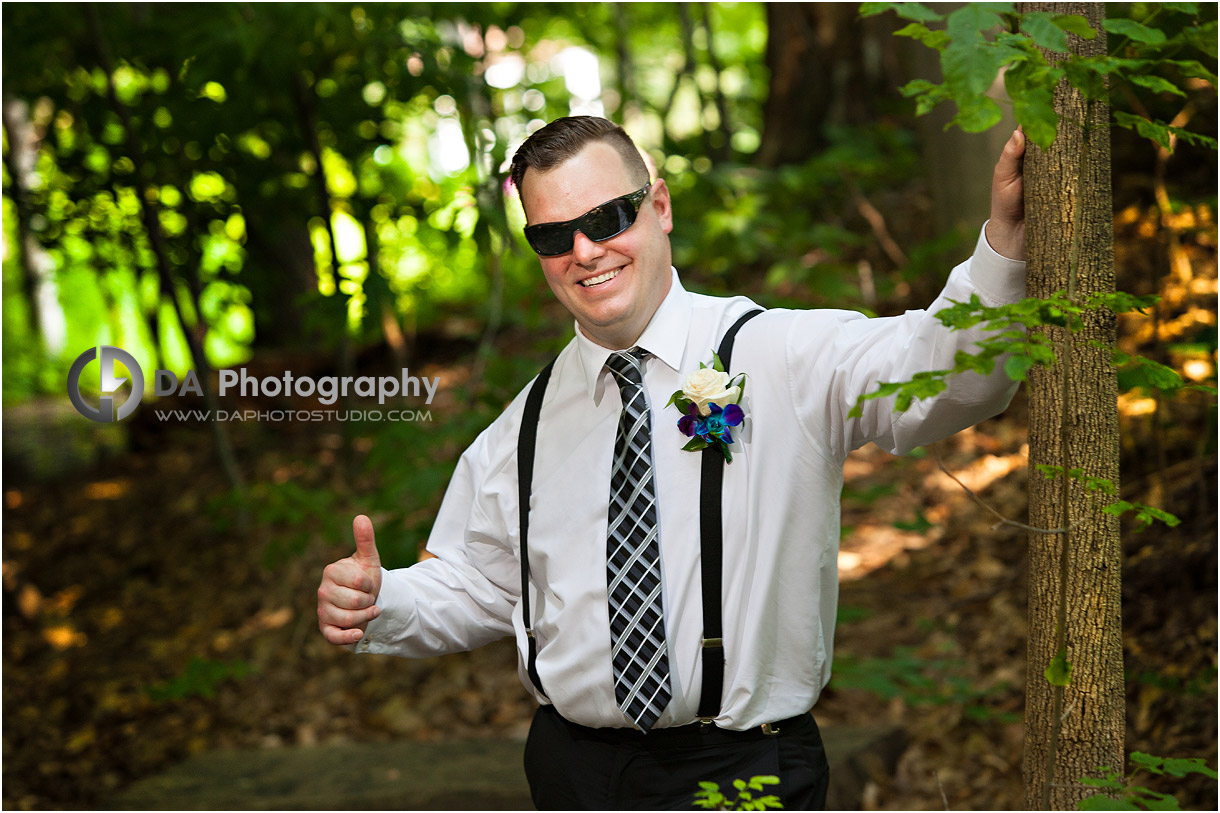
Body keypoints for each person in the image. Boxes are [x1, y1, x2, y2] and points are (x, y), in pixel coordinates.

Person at [317, 115, 1027, 810]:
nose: (585, 251)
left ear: (657, 207)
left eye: (607, 217)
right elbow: (476, 583)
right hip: (576, 777)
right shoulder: (523, 425)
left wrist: (1003, 245)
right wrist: (383, 600)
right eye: (553, 235)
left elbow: (952, 375)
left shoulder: (778, 356)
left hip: (744, 769)